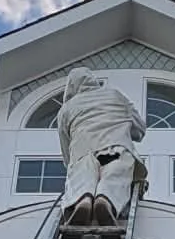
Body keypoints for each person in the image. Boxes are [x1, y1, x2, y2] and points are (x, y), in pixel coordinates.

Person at [57, 68, 147, 228]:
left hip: (84, 154)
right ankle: (105, 199)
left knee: (82, 178)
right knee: (114, 176)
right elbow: (139, 130)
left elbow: (66, 151)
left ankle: (83, 200)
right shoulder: (116, 96)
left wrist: (71, 165)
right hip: (114, 149)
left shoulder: (66, 109)